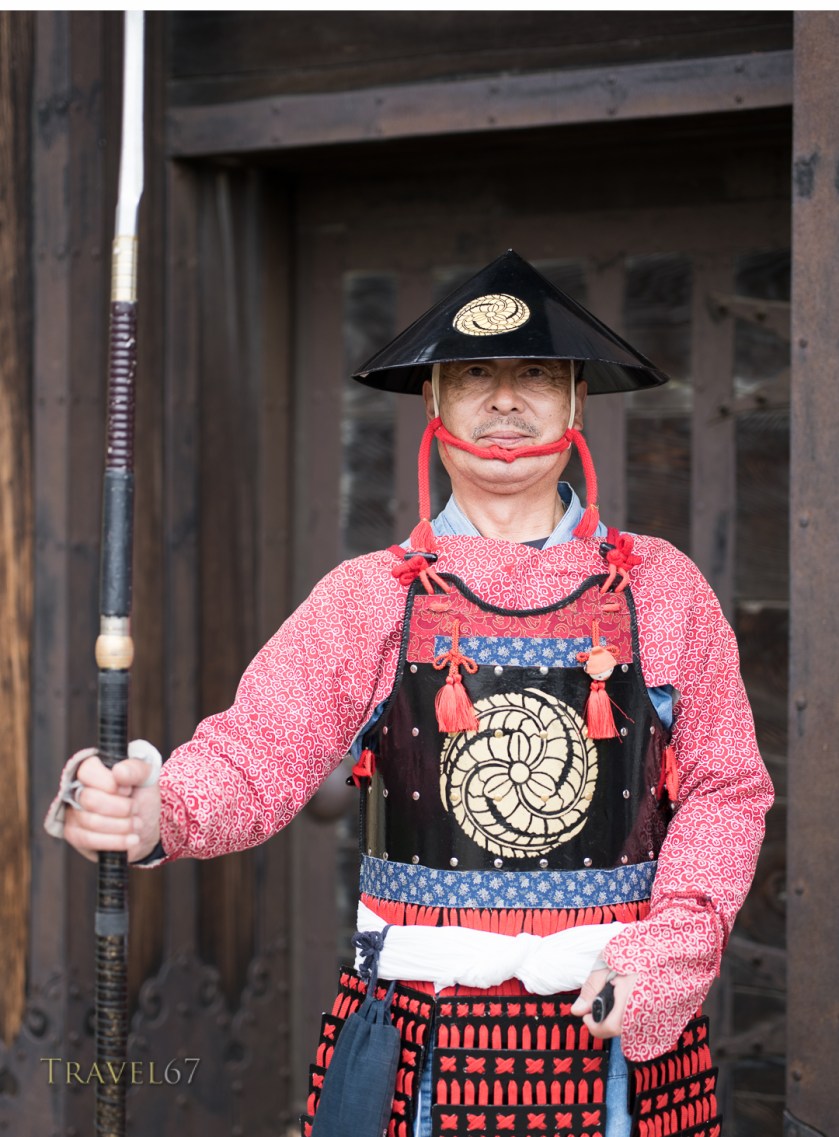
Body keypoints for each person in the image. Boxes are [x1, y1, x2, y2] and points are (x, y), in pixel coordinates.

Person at [46, 251, 772, 1137]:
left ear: (576, 400)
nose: (504, 400)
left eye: (536, 373)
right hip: (420, 1026)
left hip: (617, 1020)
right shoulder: (370, 593)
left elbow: (724, 788)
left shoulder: (661, 586)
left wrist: (674, 948)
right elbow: (253, 755)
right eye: (473, 374)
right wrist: (154, 808)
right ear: (434, 401)